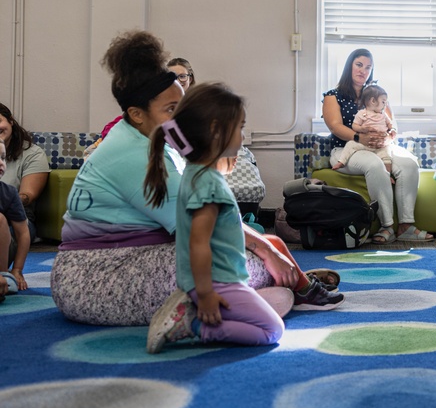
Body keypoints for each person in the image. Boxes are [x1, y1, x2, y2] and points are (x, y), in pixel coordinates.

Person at [51, 30, 341, 326]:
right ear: (137, 114)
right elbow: (203, 229)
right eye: (171, 110)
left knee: (266, 245)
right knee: (248, 260)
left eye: (184, 106)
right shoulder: (133, 155)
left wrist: (268, 245)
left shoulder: (151, 137)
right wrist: (266, 250)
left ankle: (274, 286)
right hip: (97, 277)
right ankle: (269, 290)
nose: (183, 117)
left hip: (122, 258)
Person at [145, 83, 294, 354]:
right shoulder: (208, 184)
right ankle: (194, 326)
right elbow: (198, 244)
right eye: (240, 127)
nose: (243, 134)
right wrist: (205, 295)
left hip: (217, 282)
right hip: (218, 285)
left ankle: (203, 312)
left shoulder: (196, 172)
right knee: (273, 331)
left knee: (274, 307)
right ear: (216, 132)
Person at [322, 48, 433, 244]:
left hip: (381, 147)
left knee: (408, 163)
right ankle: (387, 226)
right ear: (349, 66)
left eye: (368, 67)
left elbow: (392, 124)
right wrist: (359, 137)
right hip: (347, 149)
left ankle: (406, 225)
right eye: (359, 65)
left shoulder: (377, 94)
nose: (363, 71)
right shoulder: (333, 95)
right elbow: (335, 126)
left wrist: (389, 136)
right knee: (375, 165)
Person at [0, 103, 50, 236]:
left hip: (17, 218)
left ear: (10, 120)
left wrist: (4, 202)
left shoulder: (33, 154)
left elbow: (27, 195)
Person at [331, 84, 394, 175]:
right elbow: (354, 126)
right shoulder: (362, 113)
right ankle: (341, 161)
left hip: (380, 146)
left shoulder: (383, 114)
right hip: (363, 145)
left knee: (387, 156)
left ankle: (388, 174)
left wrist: (392, 130)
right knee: (350, 144)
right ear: (373, 101)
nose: (385, 105)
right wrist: (361, 129)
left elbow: (389, 124)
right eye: (383, 102)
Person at [0, 139, 31, 300]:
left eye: (3, 157)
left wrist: (17, 269)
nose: (1, 163)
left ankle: (2, 275)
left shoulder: (9, 192)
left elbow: (23, 233)